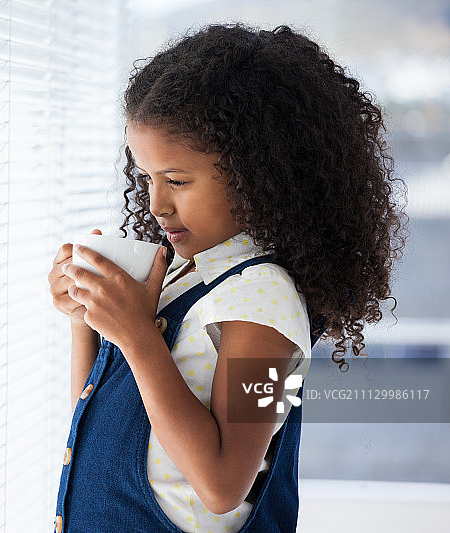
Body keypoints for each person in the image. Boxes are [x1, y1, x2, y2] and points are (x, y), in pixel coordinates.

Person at [46, 23, 407, 533]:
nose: (155, 203)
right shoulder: (186, 275)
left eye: (176, 181)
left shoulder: (265, 300)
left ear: (257, 172)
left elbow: (222, 485)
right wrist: (87, 317)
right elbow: (105, 421)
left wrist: (136, 334)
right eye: (145, 177)